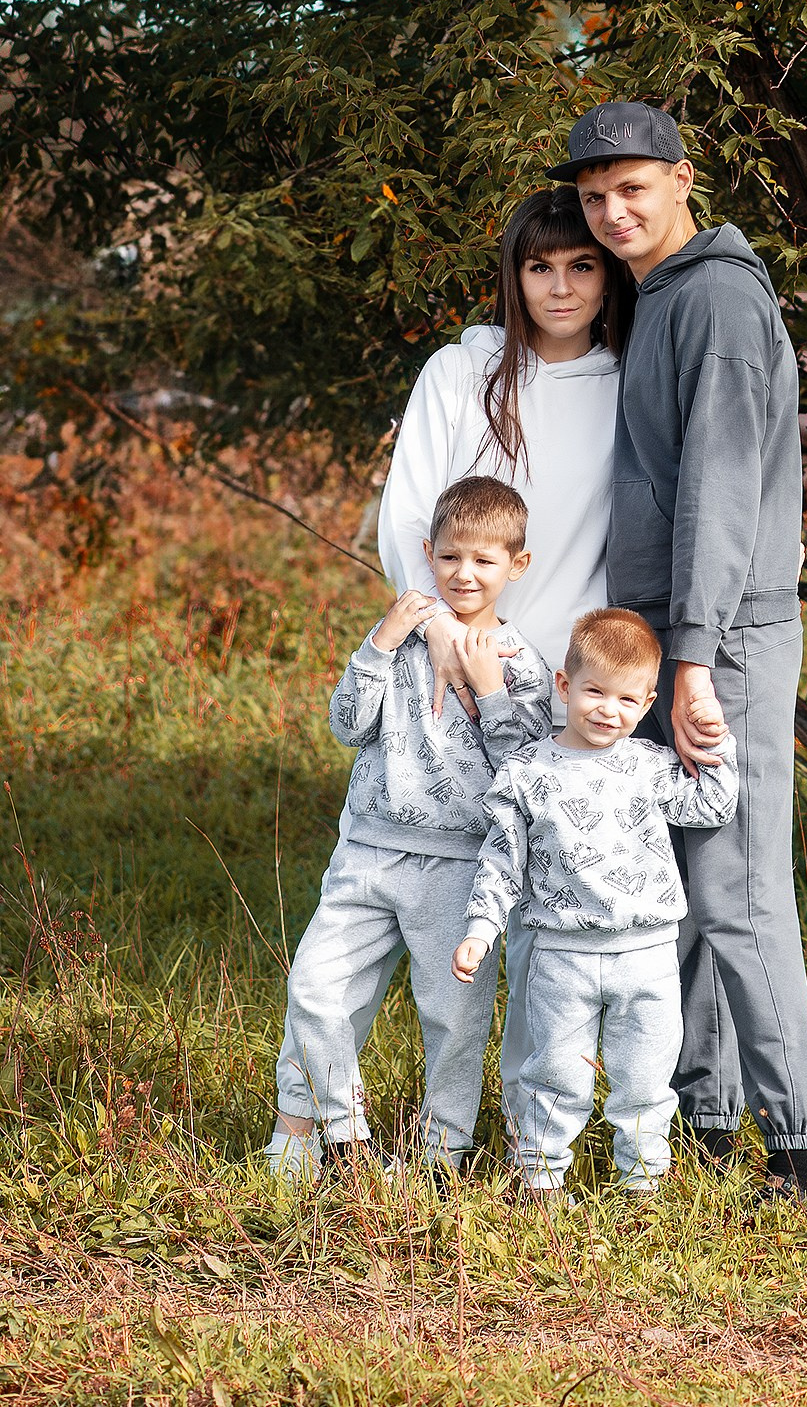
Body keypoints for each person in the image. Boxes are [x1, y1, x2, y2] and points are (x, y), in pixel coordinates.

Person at [556, 99, 807, 1202]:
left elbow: (718, 492)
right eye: (592, 197)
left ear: (683, 177)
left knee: (737, 890)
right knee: (678, 876)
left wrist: (696, 660)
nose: (612, 213)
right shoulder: (660, 295)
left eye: (631, 190)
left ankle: (795, 1151)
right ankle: (704, 1116)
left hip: (723, 639)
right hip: (678, 636)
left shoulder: (713, 296)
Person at [267, 475, 552, 1177]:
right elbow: (345, 725)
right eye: (451, 556)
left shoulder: (523, 666)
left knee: (453, 1021)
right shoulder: (399, 640)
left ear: (516, 566)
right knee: (315, 990)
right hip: (366, 850)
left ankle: (441, 1156)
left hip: (460, 866)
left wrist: (489, 691)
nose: (465, 573)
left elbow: (524, 773)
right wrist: (377, 642)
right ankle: (341, 1136)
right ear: (429, 553)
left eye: (485, 561)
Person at [452, 607, 739, 1197]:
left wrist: (719, 745)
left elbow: (711, 808)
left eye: (629, 701)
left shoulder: (650, 766)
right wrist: (481, 929)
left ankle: (643, 1186)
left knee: (645, 1079)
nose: (610, 711)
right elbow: (502, 859)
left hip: (648, 954)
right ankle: (539, 1182)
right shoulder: (528, 772)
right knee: (556, 1074)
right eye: (595, 692)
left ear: (649, 703)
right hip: (563, 954)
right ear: (564, 685)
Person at [378, 188, 634, 682]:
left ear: (607, 277)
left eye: (581, 266)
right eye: (540, 268)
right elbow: (406, 516)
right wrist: (439, 629)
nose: (560, 288)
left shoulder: (628, 387)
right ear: (515, 280)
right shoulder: (460, 371)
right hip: (449, 664)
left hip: (568, 681)